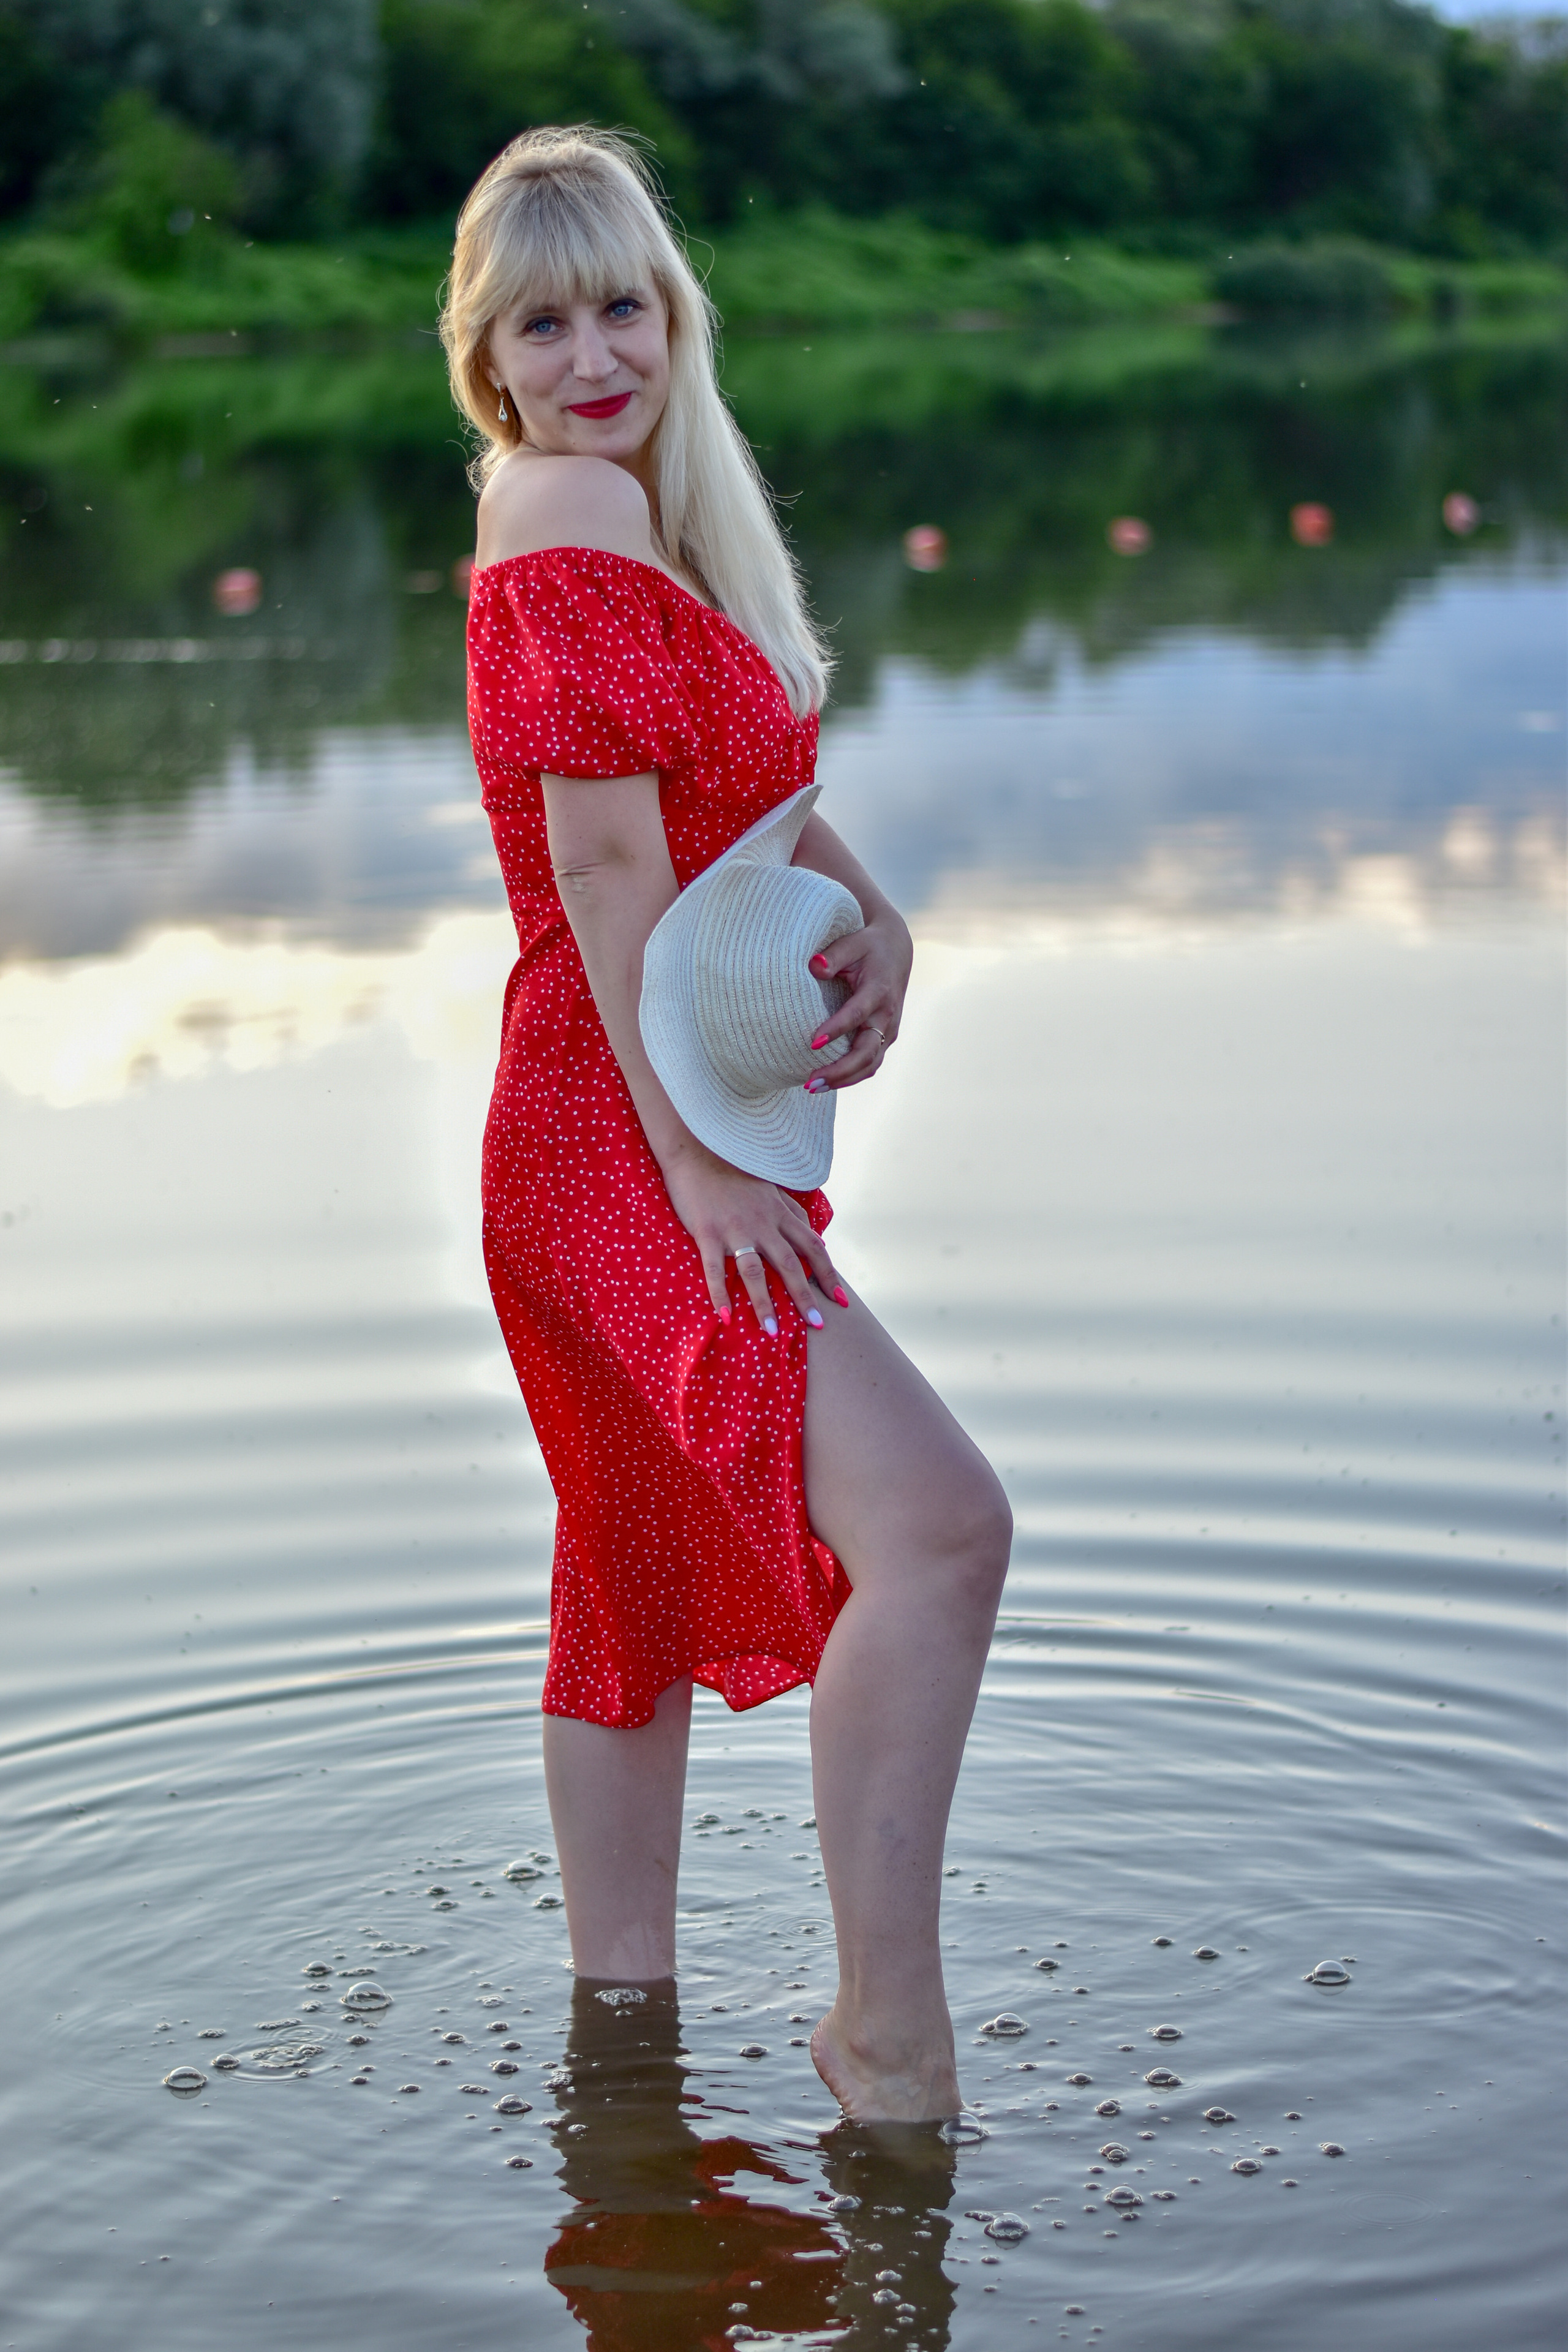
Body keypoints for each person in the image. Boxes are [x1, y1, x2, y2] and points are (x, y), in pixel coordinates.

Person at [442, 125, 1011, 2127]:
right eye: (545, 317)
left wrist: (885, 923)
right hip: (624, 1142)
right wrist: (691, 1168)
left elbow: (738, 796)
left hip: (611, 1124)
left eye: (624, 305)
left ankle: (625, 2060)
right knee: (939, 1534)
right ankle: (887, 2028)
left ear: (669, 317)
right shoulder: (564, 505)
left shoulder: (642, 516)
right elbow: (604, 867)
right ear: (487, 354)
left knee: (626, 1573)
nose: (594, 349)